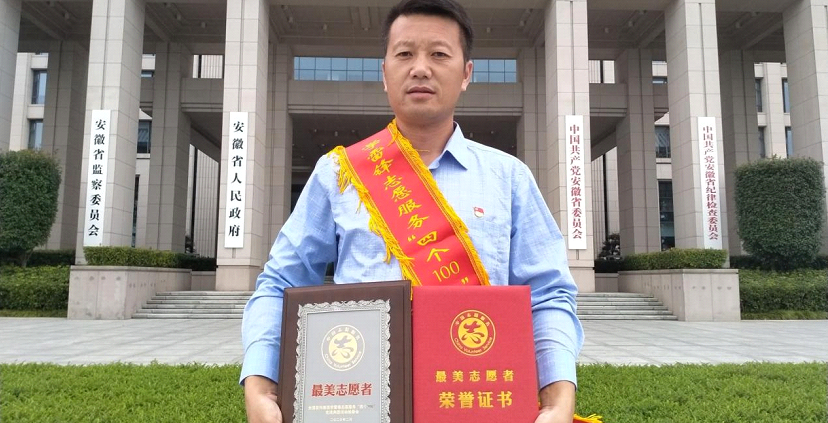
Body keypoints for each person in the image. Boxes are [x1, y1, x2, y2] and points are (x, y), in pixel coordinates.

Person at [241, 0, 584, 422]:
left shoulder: (509, 177)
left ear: (466, 74)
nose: (420, 68)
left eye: (439, 54)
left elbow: (548, 295)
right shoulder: (338, 173)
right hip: (359, 405)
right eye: (404, 54)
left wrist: (557, 399)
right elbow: (280, 282)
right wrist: (260, 385)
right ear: (384, 73)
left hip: (472, 401)